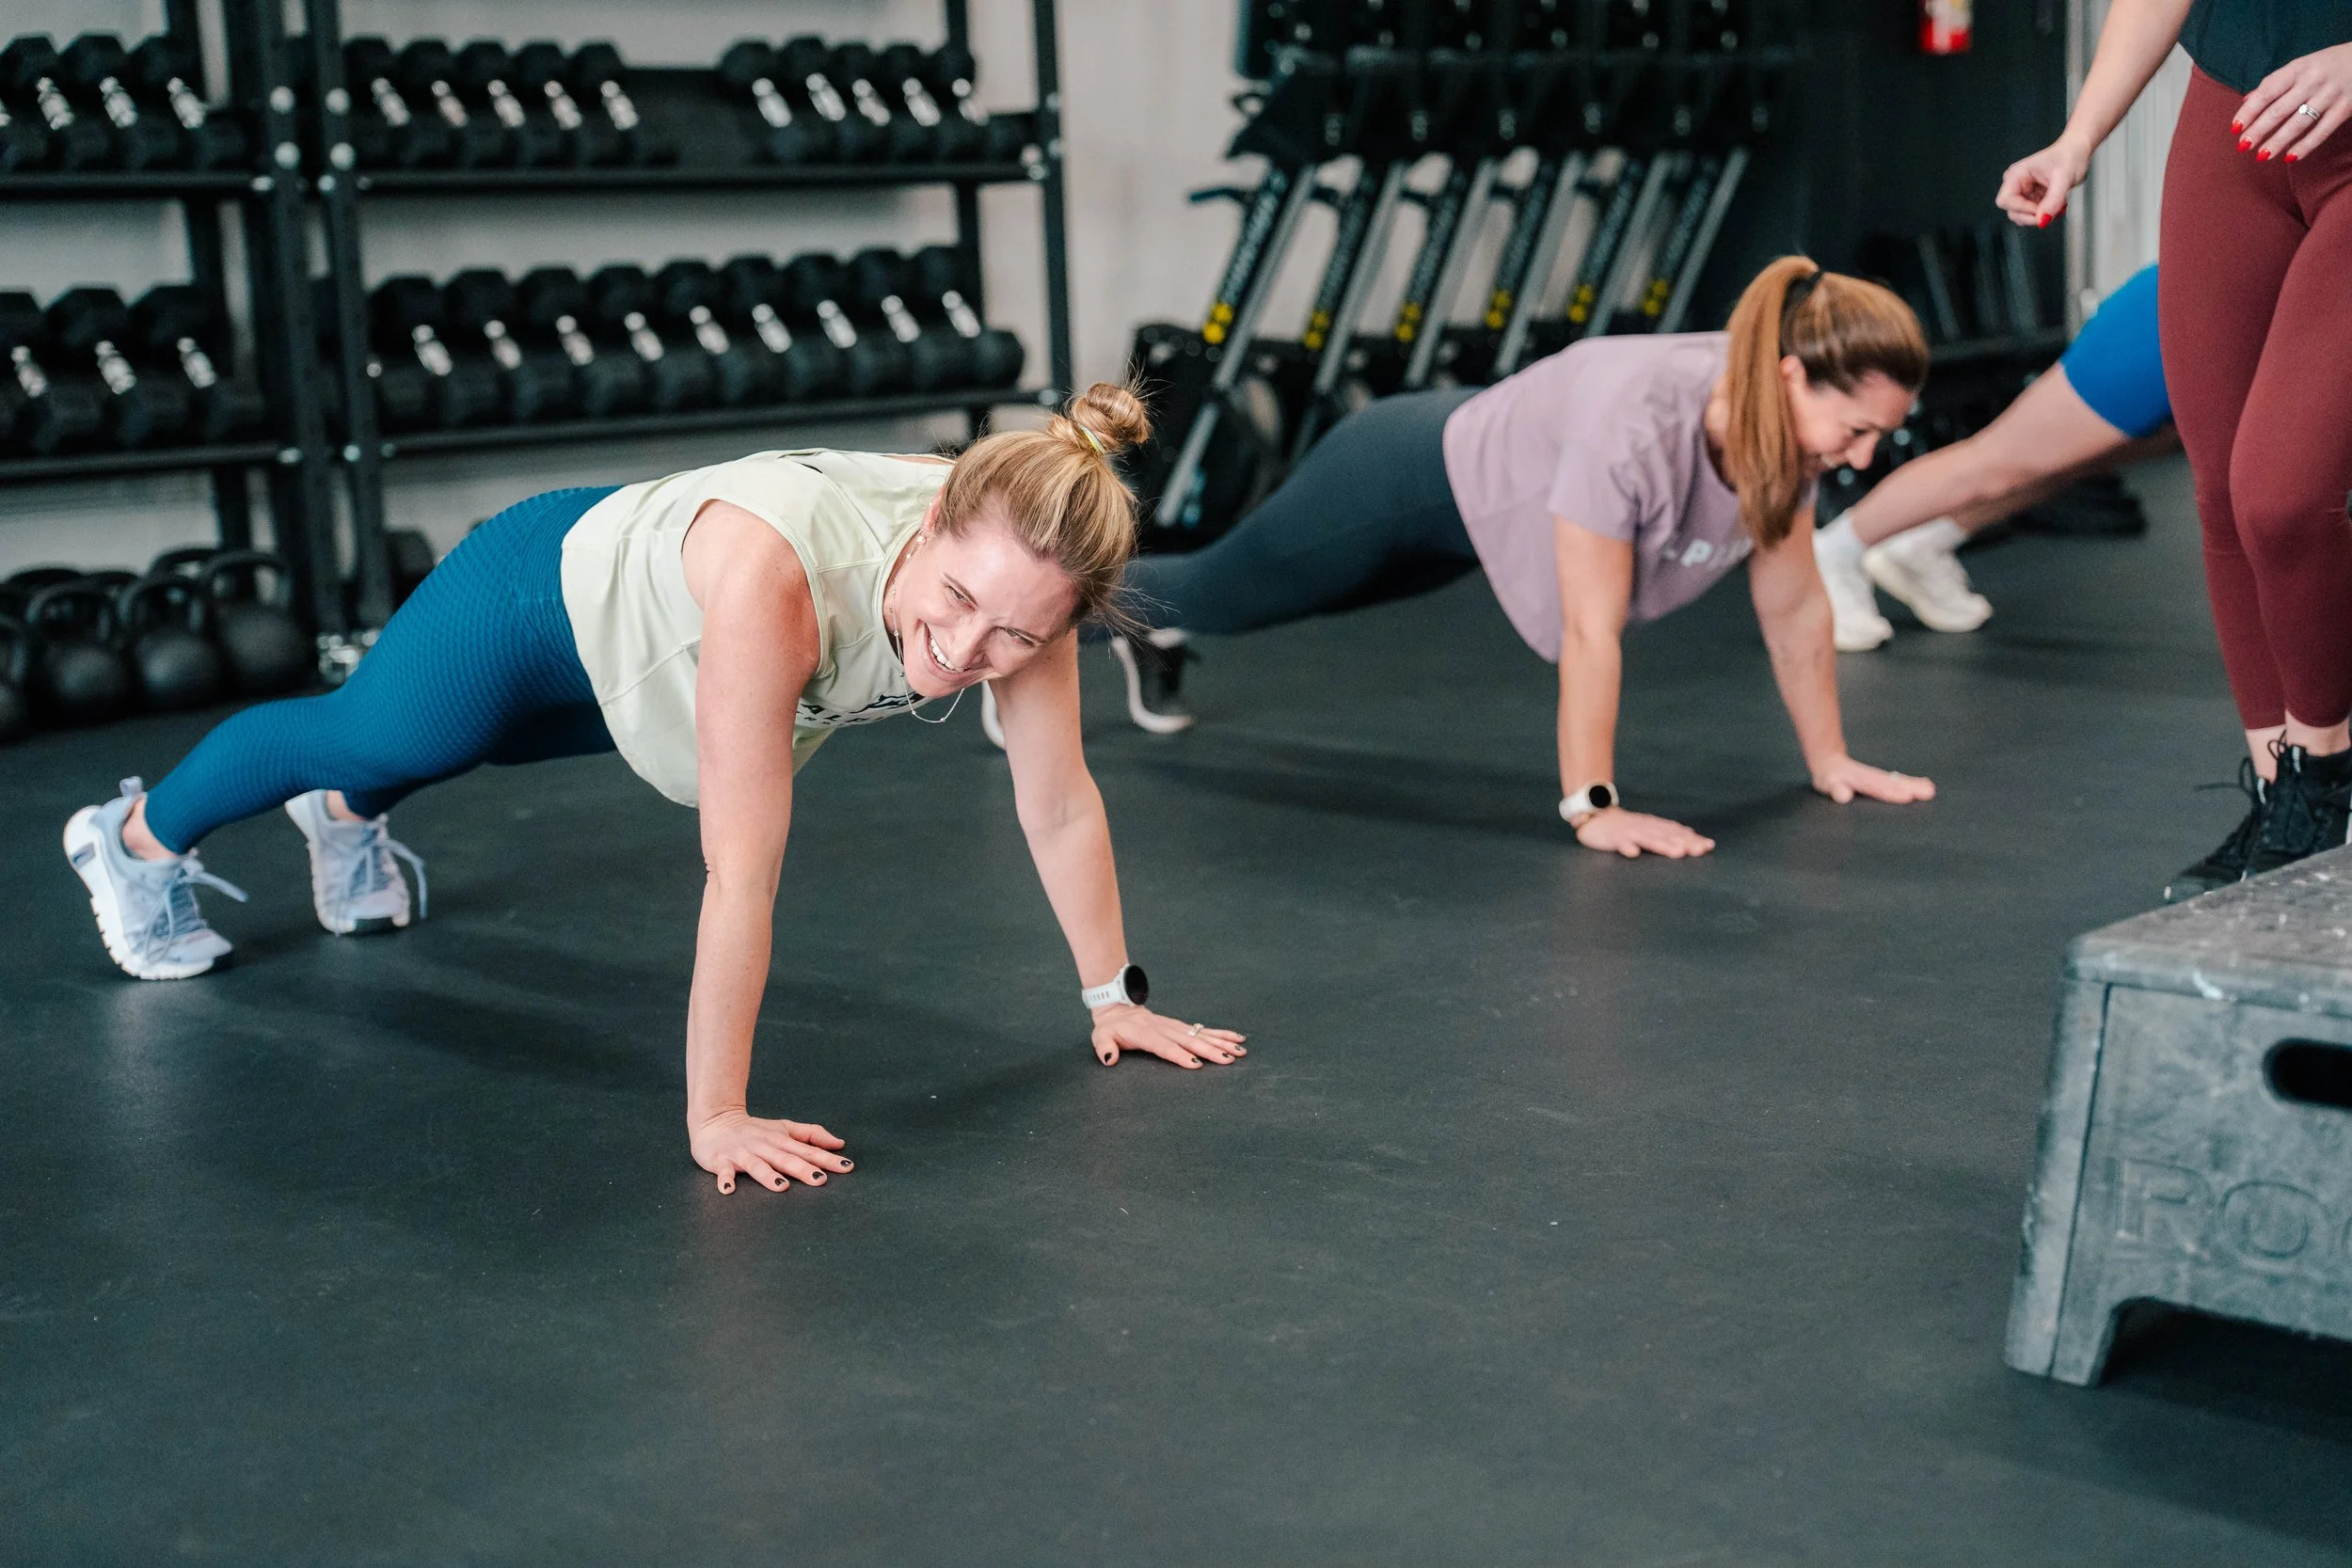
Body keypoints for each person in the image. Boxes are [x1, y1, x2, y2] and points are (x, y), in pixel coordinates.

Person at [60, 385, 1247, 1196]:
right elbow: (742, 870)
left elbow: (1058, 800)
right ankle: (134, 841)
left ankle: (346, 815)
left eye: (1011, 636)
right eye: (951, 603)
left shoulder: (1026, 586)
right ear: (932, 519)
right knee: (373, 731)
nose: (963, 648)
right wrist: (717, 1113)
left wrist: (1114, 995)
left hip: (655, 652)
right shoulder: (781, 580)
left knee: (479, 751)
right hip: (532, 596)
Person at [1097, 256, 1939, 860]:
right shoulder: (1638, 425)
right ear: (1791, 377)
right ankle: (1046, 611)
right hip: (1408, 475)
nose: (1862, 458)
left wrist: (1831, 759)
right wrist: (1593, 807)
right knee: (1221, 593)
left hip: (1486, 505)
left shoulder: (1784, 438)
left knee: (1297, 602)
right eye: (1857, 430)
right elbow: (1590, 630)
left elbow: (1793, 607)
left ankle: (1142, 631)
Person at [1997, 0, 2352, 900]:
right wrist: (2077, 140)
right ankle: (2285, 796)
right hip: (2234, 116)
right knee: (2222, 490)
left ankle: (2329, 781)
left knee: (2281, 495)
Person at [1812, 262, 2177, 651]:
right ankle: (1836, 550)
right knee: (2000, 459)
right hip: (2170, 315)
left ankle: (1923, 542)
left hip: (2229, 320)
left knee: (2094, 453)